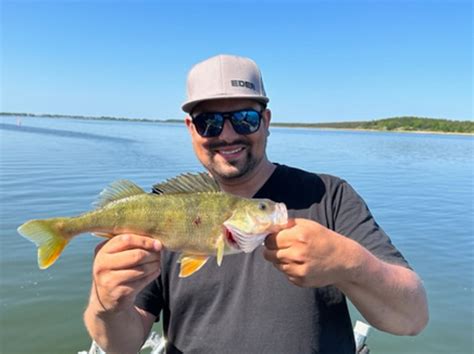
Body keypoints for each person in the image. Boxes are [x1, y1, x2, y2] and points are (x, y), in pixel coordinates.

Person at [84, 54, 429, 353]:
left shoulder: (330, 196)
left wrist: (350, 264)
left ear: (266, 121)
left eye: (245, 118)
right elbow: (122, 346)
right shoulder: (162, 208)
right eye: (209, 122)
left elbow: (411, 318)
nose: (228, 134)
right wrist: (107, 305)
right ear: (191, 129)